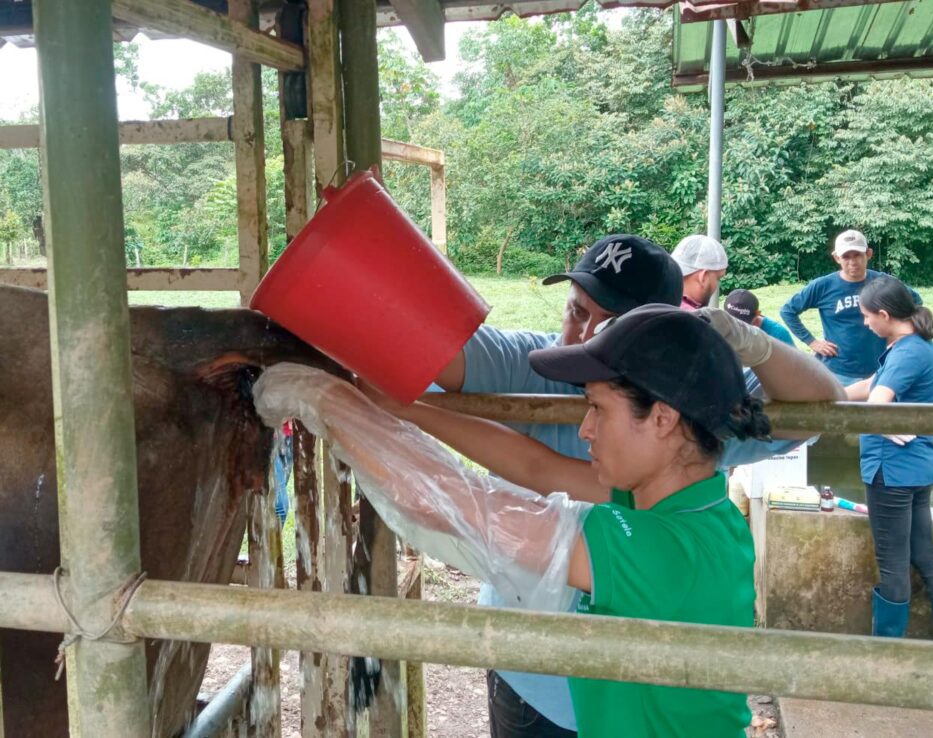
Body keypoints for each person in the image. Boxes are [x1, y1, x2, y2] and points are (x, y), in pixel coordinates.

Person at [253, 305, 775, 737]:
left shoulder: (660, 549)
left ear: (662, 418)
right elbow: (535, 465)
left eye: (598, 409)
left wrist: (327, 401)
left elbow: (457, 506)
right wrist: (409, 409)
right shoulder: (690, 505)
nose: (586, 429)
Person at [427, 234, 839, 736]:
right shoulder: (544, 362)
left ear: (666, 417)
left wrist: (747, 341)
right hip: (535, 675)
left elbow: (820, 407)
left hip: (639, 688)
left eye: (610, 326)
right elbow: (538, 467)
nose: (581, 336)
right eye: (576, 311)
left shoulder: (688, 405)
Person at [845, 277, 933, 642]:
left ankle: (888, 652)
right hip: (917, 468)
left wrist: (881, 425)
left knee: (893, 566)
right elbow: (869, 385)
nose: (865, 323)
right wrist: (822, 393)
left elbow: (877, 402)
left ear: (884, 315)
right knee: (923, 554)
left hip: (891, 471)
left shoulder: (907, 352)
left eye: (867, 316)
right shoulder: (916, 347)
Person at [780, 230, 921, 386]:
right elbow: (788, 310)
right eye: (846, 257)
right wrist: (812, 342)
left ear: (868, 254)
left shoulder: (883, 283)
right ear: (837, 258)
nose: (852, 262)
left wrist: (899, 336)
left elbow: (915, 302)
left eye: (857, 255)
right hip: (837, 370)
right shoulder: (823, 286)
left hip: (879, 368)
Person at [670, 234, 728, 311]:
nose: (716, 285)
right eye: (718, 278)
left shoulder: (654, 300)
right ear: (703, 277)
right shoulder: (693, 319)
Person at [723, 289, 793, 347]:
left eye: (743, 325)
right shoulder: (720, 327)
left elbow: (793, 363)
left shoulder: (778, 335)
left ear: (758, 314)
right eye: (731, 321)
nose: (736, 328)